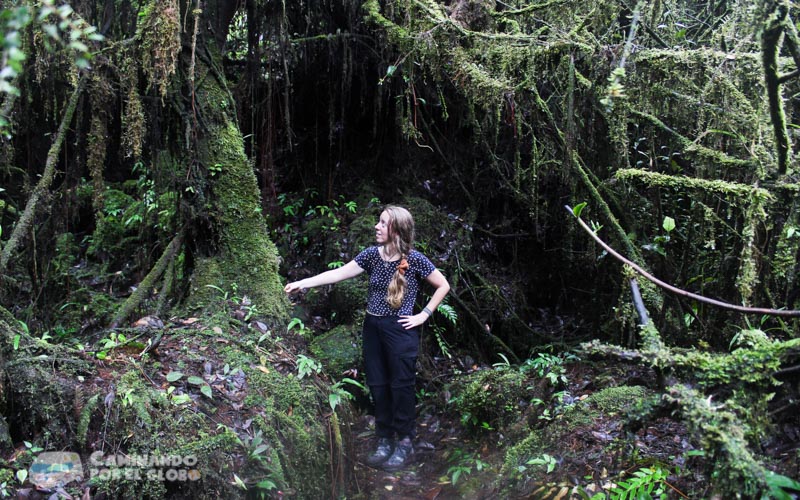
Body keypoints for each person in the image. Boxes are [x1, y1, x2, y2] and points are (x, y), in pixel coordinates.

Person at [284, 205, 450, 471]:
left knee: (401, 386)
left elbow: (443, 285)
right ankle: (384, 439)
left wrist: (424, 315)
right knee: (378, 384)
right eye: (378, 222)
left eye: (383, 223)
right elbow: (337, 274)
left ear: (396, 229)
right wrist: (303, 282)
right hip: (372, 328)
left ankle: (405, 442)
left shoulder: (415, 259)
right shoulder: (372, 256)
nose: (377, 226)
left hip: (400, 329)